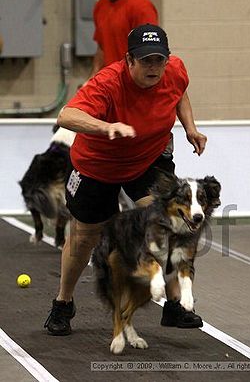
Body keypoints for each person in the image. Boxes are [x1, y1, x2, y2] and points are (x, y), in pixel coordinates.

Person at [44, 24, 207, 336]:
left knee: (175, 225)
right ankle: (63, 302)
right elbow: (66, 116)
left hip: (148, 159)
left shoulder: (174, 71)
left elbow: (180, 92)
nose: (153, 68)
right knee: (84, 238)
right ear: (129, 60)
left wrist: (190, 128)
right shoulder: (107, 83)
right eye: (145, 61)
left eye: (159, 60)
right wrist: (106, 128)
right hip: (98, 165)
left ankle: (175, 306)